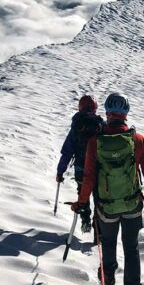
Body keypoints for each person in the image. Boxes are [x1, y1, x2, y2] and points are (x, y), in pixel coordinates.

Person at [71, 92, 144, 285]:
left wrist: (82, 202)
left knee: (108, 243)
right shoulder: (137, 140)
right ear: (126, 114)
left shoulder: (95, 141)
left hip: (106, 207)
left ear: (107, 113)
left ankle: (108, 279)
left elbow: (89, 177)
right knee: (131, 248)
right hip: (132, 206)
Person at [56, 95, 103, 235]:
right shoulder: (100, 124)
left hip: (80, 168)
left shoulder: (77, 125)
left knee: (83, 194)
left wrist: (60, 171)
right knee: (99, 197)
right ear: (95, 108)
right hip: (98, 169)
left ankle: (85, 220)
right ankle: (98, 230)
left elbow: (67, 151)